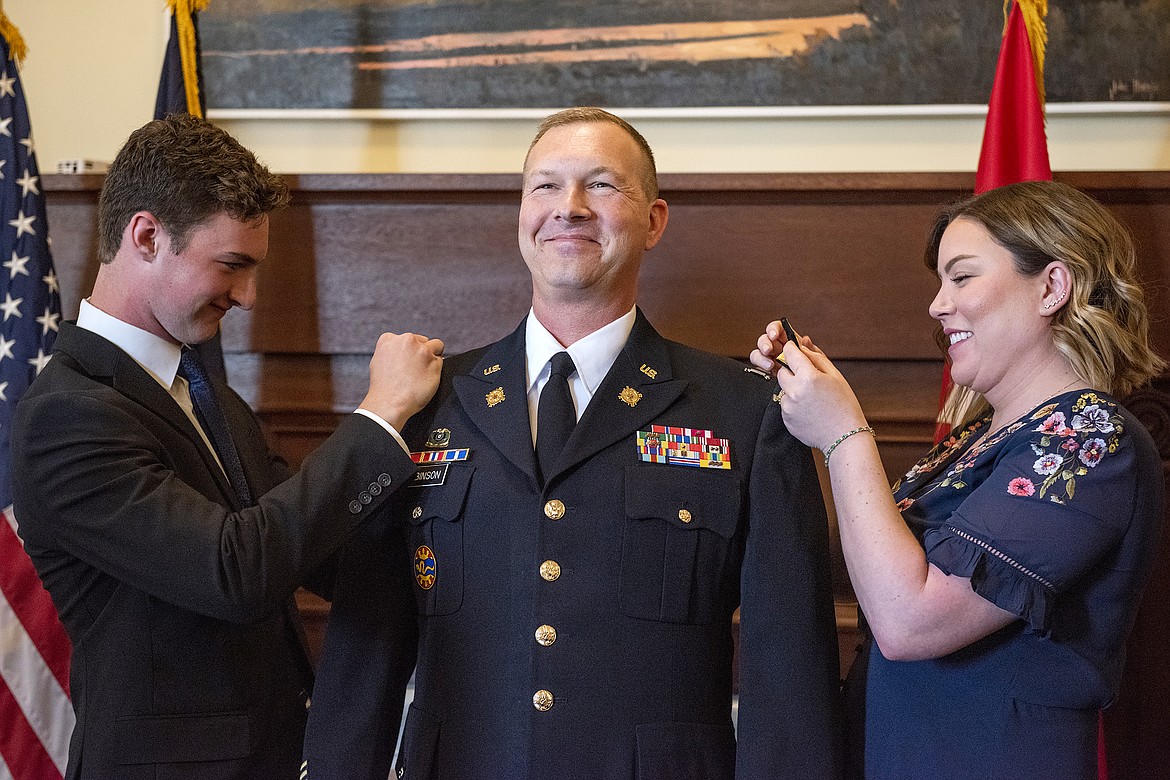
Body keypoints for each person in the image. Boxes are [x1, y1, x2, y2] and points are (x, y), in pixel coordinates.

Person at [303, 107, 841, 779]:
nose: (570, 207)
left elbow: (787, 660)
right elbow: (370, 638)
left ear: (655, 219)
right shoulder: (426, 399)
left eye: (603, 185)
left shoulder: (743, 411)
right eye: (546, 186)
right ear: (521, 213)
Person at [11, 114, 444, 779]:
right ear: (148, 236)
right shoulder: (68, 415)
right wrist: (379, 415)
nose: (248, 296)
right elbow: (236, 571)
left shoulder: (205, 392)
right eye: (232, 266)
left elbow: (308, 547)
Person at [751, 179, 1166, 779]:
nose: (937, 304)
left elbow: (910, 621)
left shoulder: (1093, 440)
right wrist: (804, 402)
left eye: (962, 277)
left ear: (1052, 286)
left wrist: (845, 434)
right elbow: (877, 567)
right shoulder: (977, 437)